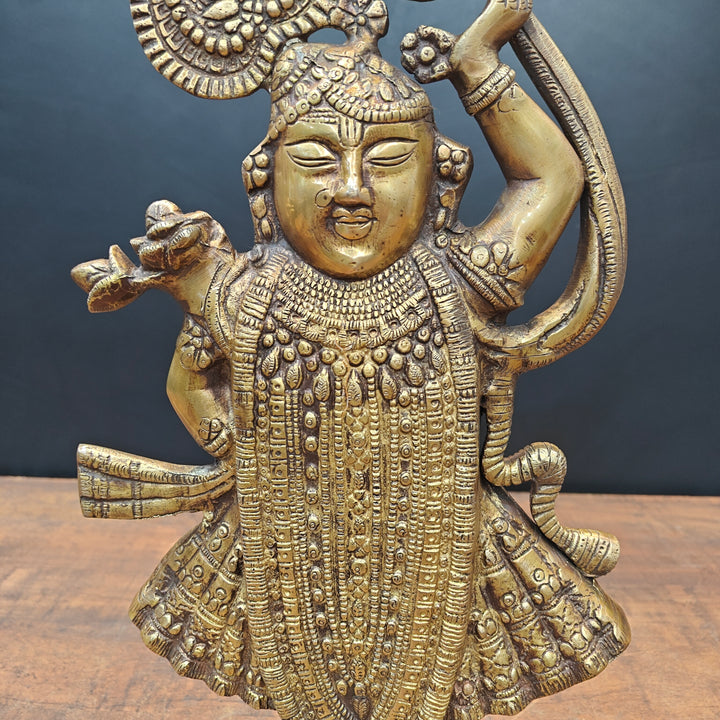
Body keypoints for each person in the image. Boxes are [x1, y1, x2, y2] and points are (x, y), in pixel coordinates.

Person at [73, 1, 629, 717]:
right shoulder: (245, 294)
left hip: (445, 548)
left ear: (439, 179)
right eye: (314, 160)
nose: (352, 191)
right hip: (281, 544)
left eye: (389, 160)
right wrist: (241, 451)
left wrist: (477, 66)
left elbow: (553, 178)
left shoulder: (458, 282)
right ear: (265, 180)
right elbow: (190, 384)